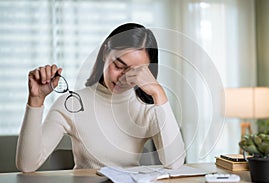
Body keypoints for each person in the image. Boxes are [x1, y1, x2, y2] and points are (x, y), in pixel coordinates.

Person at [16, 23, 186, 172]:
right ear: (105, 53)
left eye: (136, 72)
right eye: (119, 66)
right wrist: (36, 101)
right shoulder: (73, 104)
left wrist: (159, 94)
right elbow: (27, 165)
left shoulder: (149, 108)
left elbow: (175, 163)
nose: (124, 78)